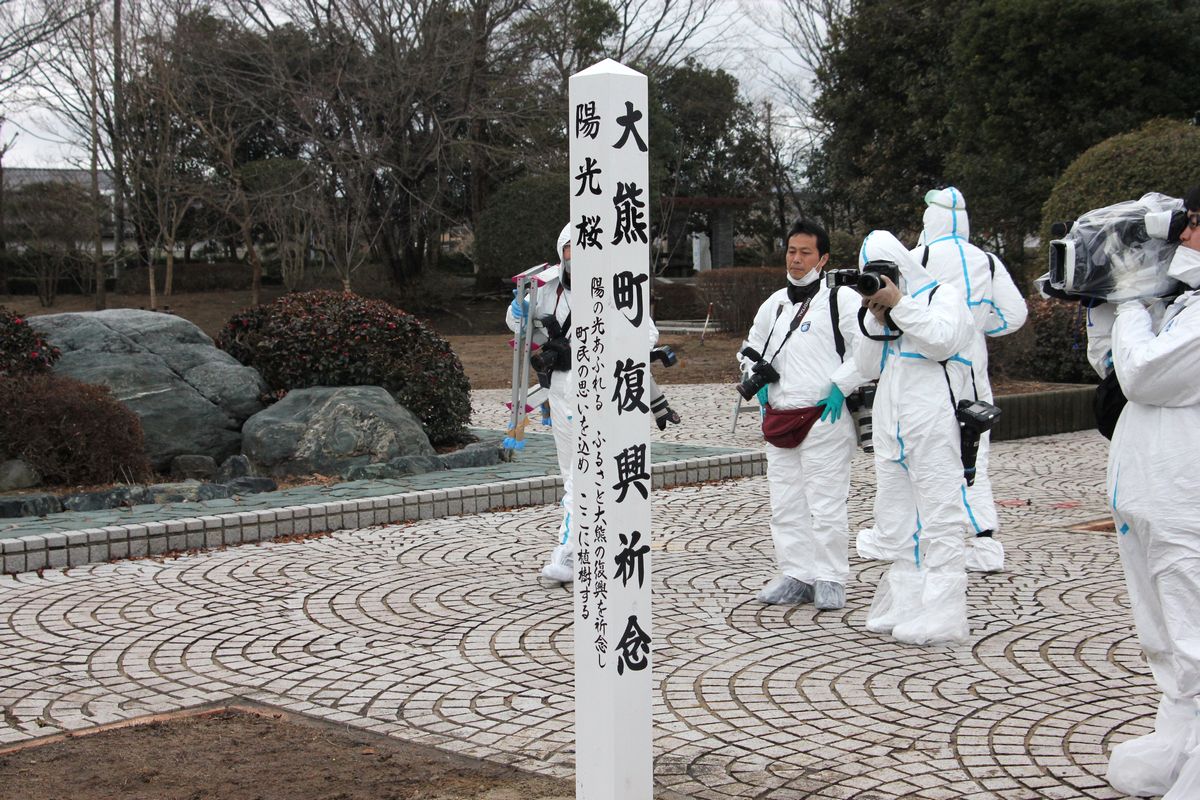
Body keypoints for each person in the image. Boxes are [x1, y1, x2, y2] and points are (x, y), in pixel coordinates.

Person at [857, 187, 1028, 573]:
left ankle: (957, 558)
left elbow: (938, 338)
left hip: (940, 381)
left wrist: (906, 307)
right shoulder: (987, 260)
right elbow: (1014, 316)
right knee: (973, 458)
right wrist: (979, 328)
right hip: (970, 370)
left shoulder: (921, 267)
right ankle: (983, 540)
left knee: (946, 468)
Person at [507, 223, 678, 584]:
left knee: (592, 472)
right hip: (559, 386)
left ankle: (580, 550)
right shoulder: (546, 286)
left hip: (601, 387)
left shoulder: (616, 283)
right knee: (572, 470)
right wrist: (518, 311)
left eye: (583, 247)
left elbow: (645, 331)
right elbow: (516, 324)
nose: (575, 255)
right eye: (569, 248)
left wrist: (603, 344)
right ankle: (582, 548)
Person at [1104, 189, 1200, 799]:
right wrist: (1107, 307)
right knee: (1162, 635)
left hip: (1186, 496)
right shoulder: (1181, 303)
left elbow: (1145, 374)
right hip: (1145, 492)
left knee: (1194, 631)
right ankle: (1179, 738)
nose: (1183, 238)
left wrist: (1133, 296)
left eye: (1193, 228)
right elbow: (1109, 367)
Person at [851, 230, 976, 645]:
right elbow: (866, 365)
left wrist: (901, 305)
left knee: (940, 517)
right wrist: (873, 315)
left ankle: (943, 611)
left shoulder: (944, 296)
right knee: (897, 518)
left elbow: (943, 341)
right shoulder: (884, 312)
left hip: (934, 419)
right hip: (893, 424)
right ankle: (905, 602)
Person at [740, 219, 868, 610]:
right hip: (780, 417)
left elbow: (867, 351)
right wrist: (754, 380)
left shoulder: (840, 300)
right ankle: (797, 572)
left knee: (826, 503)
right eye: (791, 251)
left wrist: (841, 386)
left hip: (824, 418)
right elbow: (751, 348)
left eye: (805, 252)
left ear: (823, 258)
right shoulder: (774, 303)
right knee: (786, 502)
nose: (796, 260)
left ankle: (830, 576)